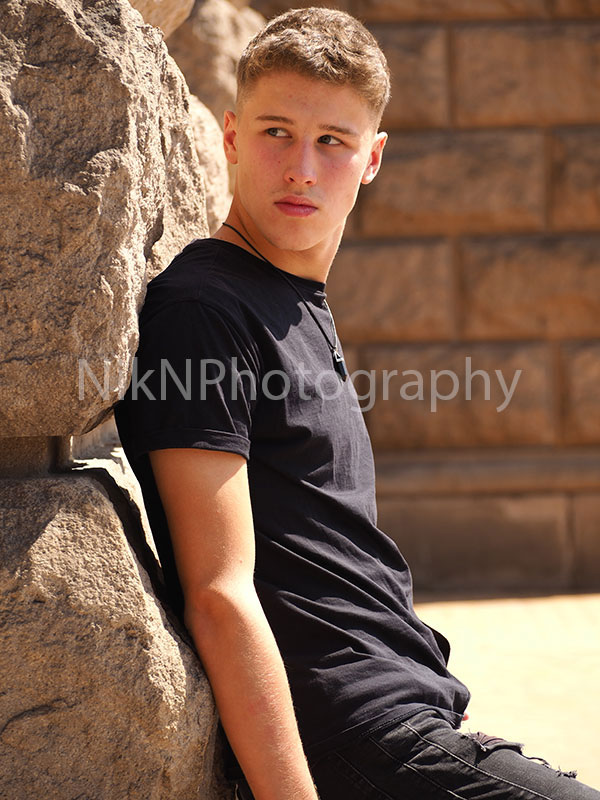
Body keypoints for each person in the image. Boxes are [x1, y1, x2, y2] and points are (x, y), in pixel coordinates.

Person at [114, 8, 600, 800]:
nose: (301, 168)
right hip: (360, 736)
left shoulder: (292, 298)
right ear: (231, 137)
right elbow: (218, 593)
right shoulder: (204, 309)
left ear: (372, 158)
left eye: (332, 141)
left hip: (414, 716)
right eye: (277, 133)